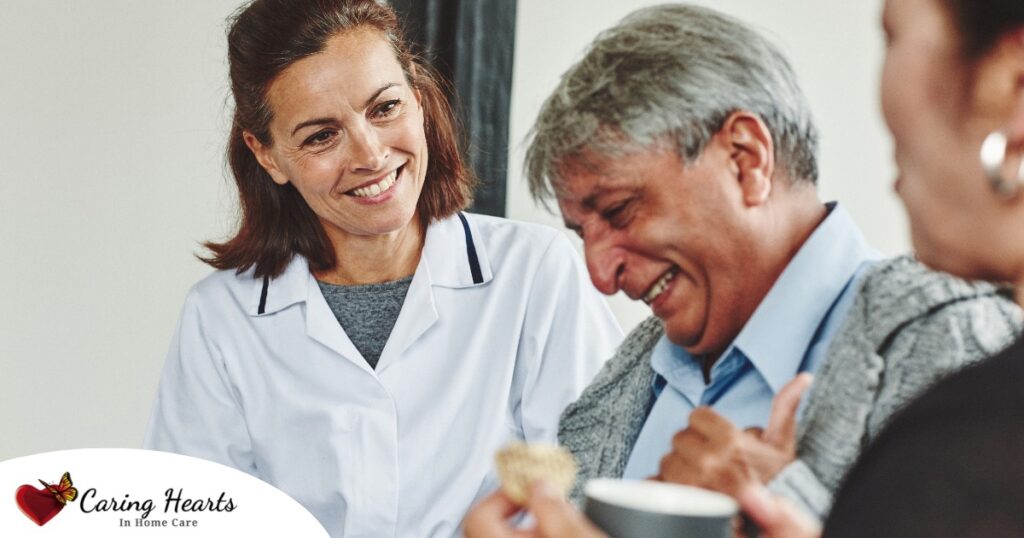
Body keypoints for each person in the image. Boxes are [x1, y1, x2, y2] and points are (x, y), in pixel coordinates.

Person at [465, 0, 1024, 536]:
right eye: (582, 233)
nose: (599, 275)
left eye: (619, 211)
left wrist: (781, 508)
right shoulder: (622, 384)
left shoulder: (958, 344)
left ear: (746, 159)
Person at [142, 1, 623, 536]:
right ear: (268, 155)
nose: (370, 155)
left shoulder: (537, 273)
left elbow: (596, 489)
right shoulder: (220, 317)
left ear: (417, 100)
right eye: (321, 136)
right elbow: (194, 521)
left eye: (384, 107)